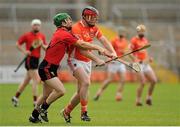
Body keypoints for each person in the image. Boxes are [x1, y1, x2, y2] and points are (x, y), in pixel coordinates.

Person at [29, 12, 108, 123]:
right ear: (63, 23)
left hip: (48, 67)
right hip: (47, 67)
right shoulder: (64, 34)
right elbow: (82, 45)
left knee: (45, 95)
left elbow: (55, 48)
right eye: (68, 20)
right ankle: (43, 109)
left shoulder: (61, 33)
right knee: (61, 91)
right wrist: (98, 48)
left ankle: (33, 116)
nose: (71, 21)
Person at [61, 6, 117, 123]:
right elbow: (81, 49)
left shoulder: (94, 28)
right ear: (84, 17)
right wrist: (97, 59)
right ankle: (84, 112)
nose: (94, 20)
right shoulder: (76, 28)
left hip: (87, 61)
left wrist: (113, 52)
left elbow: (104, 40)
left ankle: (66, 111)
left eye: (95, 18)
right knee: (86, 83)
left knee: (80, 91)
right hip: (74, 60)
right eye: (91, 17)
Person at [11, 19, 47, 107]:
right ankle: (35, 101)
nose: (36, 26)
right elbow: (17, 44)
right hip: (30, 59)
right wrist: (25, 51)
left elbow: (46, 48)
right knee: (36, 79)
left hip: (37, 59)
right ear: (32, 26)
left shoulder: (42, 36)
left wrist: (42, 44)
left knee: (26, 81)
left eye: (38, 25)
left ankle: (15, 97)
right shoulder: (27, 35)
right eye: (35, 25)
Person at [94, 27, 129, 101]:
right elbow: (109, 49)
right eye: (122, 32)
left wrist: (125, 53)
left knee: (123, 79)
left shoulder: (125, 41)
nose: (123, 34)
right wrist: (109, 58)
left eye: (124, 33)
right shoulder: (114, 40)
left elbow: (124, 51)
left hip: (120, 62)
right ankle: (99, 93)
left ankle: (119, 94)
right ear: (119, 33)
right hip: (113, 62)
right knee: (109, 79)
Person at [130, 24, 157, 106]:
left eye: (143, 31)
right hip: (137, 64)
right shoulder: (134, 40)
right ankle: (138, 100)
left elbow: (145, 52)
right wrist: (135, 59)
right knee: (142, 82)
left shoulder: (145, 40)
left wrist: (149, 58)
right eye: (141, 31)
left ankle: (149, 98)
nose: (142, 32)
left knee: (154, 80)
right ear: (137, 31)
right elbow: (128, 52)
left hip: (145, 63)